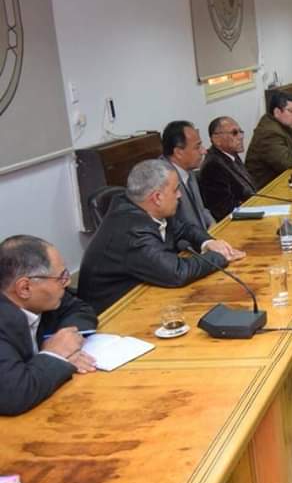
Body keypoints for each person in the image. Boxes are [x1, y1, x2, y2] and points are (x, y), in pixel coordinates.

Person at [78, 159, 245, 314]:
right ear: (157, 197)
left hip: (145, 292)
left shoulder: (143, 205)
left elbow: (184, 228)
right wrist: (219, 256)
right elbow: (177, 272)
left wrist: (208, 243)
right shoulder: (133, 230)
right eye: (175, 190)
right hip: (114, 313)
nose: (179, 195)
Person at [1, 235, 97, 415]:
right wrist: (54, 354)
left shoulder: (43, 298)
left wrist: (64, 340)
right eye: (61, 277)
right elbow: (13, 394)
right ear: (24, 288)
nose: (67, 282)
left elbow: (80, 308)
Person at [199, 116, 258, 221]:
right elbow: (224, 210)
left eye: (241, 132)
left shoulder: (231, 155)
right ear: (216, 139)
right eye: (234, 133)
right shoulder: (213, 166)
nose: (240, 137)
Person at [161, 120, 213, 232]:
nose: (204, 151)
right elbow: (175, 230)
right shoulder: (163, 180)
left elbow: (201, 210)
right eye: (197, 147)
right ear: (178, 152)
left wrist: (213, 225)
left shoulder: (188, 169)